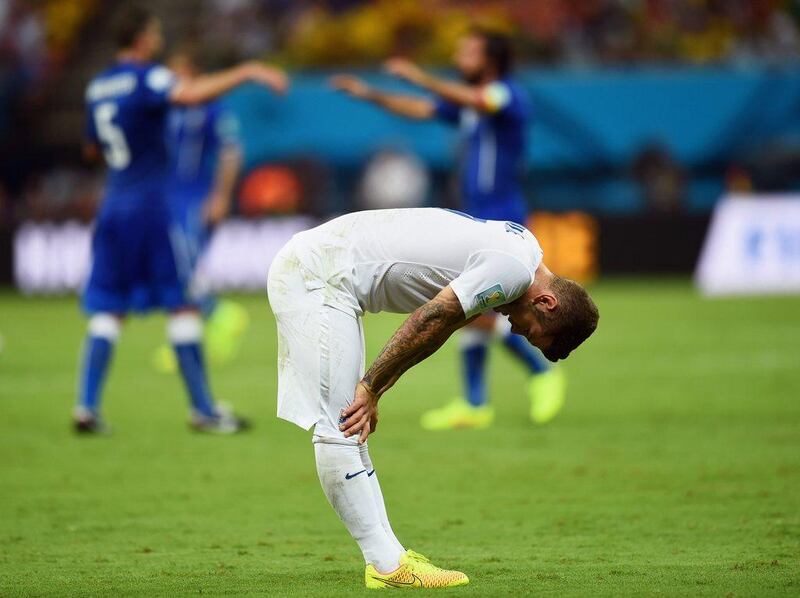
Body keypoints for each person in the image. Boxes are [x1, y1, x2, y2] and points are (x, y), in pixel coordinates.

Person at [267, 207, 598, 588]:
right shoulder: (512, 271)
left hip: (329, 273)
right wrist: (371, 386)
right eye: (532, 332)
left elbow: (440, 329)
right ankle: (388, 566)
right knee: (340, 425)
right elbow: (432, 318)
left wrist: (379, 386)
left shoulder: (525, 252)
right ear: (547, 304)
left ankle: (390, 560)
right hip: (316, 275)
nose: (518, 331)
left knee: (351, 425)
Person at [331, 27, 566, 431]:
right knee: (473, 312)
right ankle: (475, 404)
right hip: (476, 217)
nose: (460, 57)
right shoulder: (473, 106)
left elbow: (475, 98)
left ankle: (540, 374)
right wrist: (371, 95)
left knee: (479, 311)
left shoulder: (506, 94)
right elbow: (423, 110)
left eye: (469, 51)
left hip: (504, 217)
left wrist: (420, 75)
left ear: (491, 59)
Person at [74, 4, 288, 434]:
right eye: (153, 34)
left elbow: (91, 150)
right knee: (184, 302)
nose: (157, 40)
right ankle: (204, 410)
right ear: (140, 37)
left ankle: (86, 407)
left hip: (112, 205)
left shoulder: (98, 86)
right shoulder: (147, 76)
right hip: (153, 209)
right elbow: (186, 94)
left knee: (108, 310)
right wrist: (247, 71)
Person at [152, 44, 250, 374]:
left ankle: (219, 315)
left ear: (196, 75)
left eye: (179, 73)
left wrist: (220, 196)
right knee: (179, 270)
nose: (172, 79)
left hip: (193, 200)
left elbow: (230, 153)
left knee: (183, 271)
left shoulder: (209, 108)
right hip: (168, 200)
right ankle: (196, 334)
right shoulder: (164, 108)